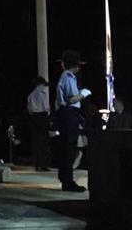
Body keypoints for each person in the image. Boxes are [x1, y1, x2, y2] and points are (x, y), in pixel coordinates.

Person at [55, 49, 90, 192]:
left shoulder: (65, 76)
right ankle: (68, 181)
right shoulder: (69, 77)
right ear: (75, 66)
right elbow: (71, 99)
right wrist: (83, 94)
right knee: (69, 148)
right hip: (69, 113)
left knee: (66, 148)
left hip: (65, 114)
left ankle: (65, 179)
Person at [27, 76, 50, 171]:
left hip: (34, 117)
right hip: (42, 117)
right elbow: (46, 107)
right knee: (43, 142)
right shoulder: (42, 94)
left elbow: (30, 109)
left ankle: (36, 163)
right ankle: (43, 164)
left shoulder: (31, 95)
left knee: (36, 141)